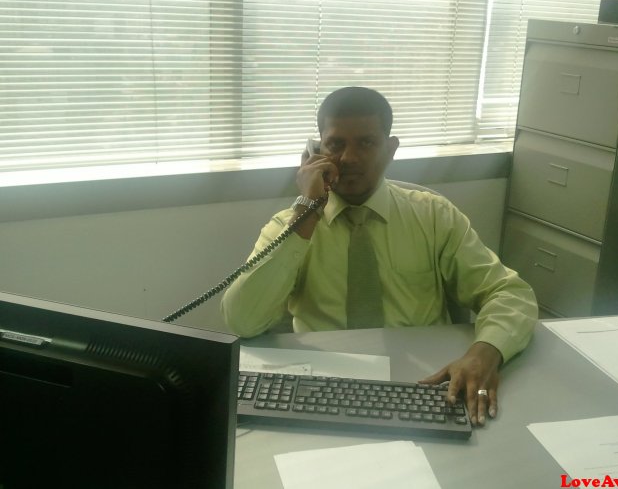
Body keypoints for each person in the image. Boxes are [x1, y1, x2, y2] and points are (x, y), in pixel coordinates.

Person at [221, 86, 537, 427]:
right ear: (316, 151)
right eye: (336, 144)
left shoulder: (433, 216)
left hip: (426, 381)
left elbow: (509, 293)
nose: (349, 158)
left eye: (366, 143)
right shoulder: (291, 226)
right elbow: (242, 320)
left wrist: (484, 353)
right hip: (325, 385)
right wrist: (307, 215)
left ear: (390, 149)